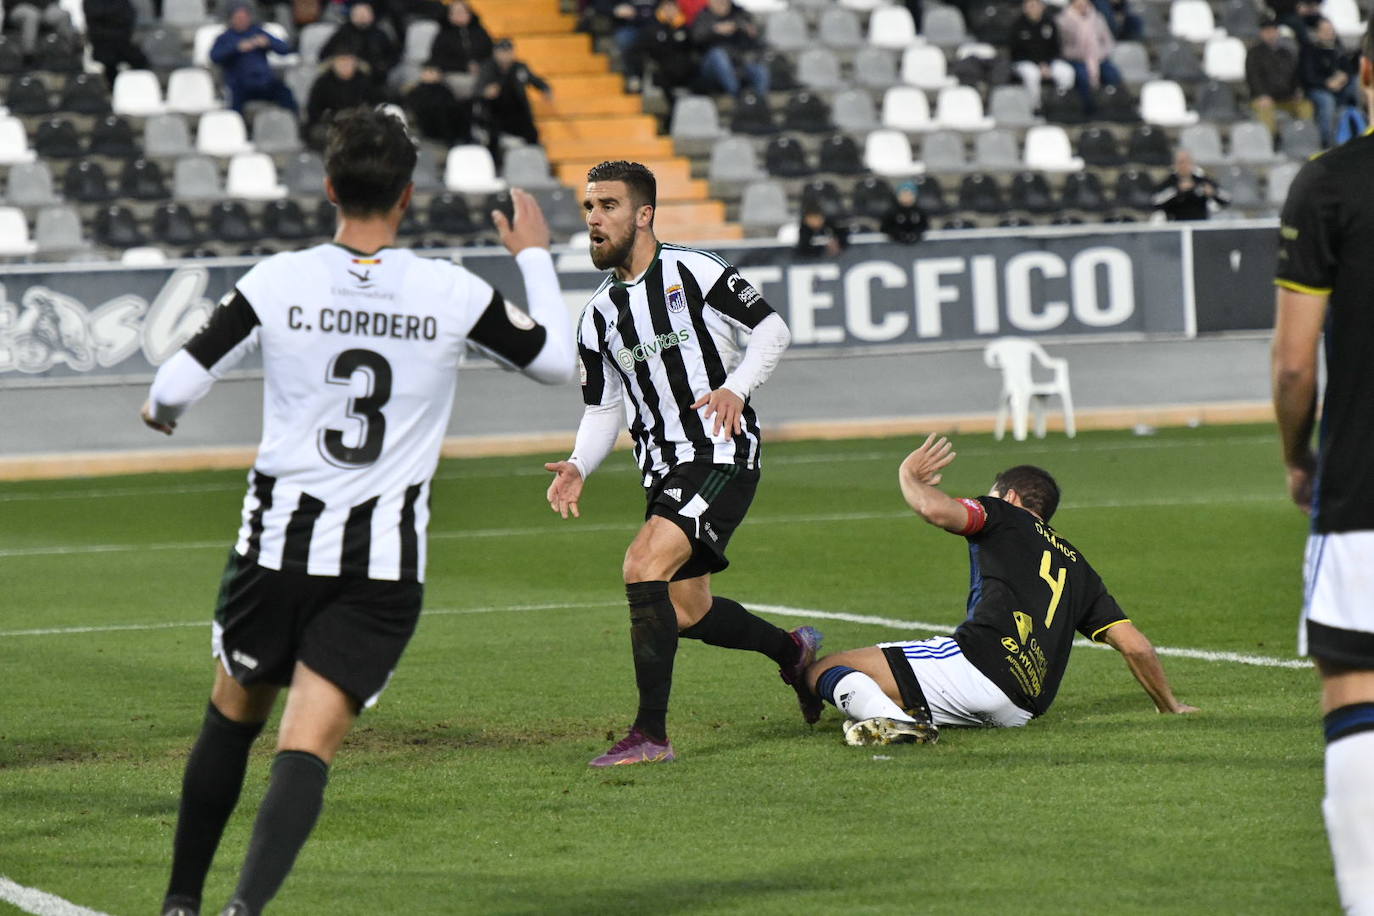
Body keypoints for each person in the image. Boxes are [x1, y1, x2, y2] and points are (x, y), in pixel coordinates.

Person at [145, 108, 575, 916]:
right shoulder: (450, 289)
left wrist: (162, 416)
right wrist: (535, 257)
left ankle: (179, 904)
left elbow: (172, 384)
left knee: (233, 714)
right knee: (307, 743)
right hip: (380, 564)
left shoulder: (280, 279)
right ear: (408, 197)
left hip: (276, 544)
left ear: (331, 187)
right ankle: (244, 911)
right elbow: (556, 362)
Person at [544, 160, 817, 767]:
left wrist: (736, 389)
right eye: (588, 207)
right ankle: (792, 652)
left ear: (643, 214)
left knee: (642, 563)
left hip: (720, 453)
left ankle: (650, 735)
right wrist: (579, 465)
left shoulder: (695, 271)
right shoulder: (596, 315)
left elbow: (772, 330)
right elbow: (602, 409)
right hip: (663, 469)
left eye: (607, 206)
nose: (593, 218)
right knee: (688, 609)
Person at [803, 434, 1197, 747]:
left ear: (1009, 497)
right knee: (891, 690)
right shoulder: (1079, 568)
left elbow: (936, 511)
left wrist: (908, 474)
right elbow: (1137, 646)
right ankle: (905, 716)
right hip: (1020, 709)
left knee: (825, 669)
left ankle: (903, 725)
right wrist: (1170, 706)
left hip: (977, 664)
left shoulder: (1005, 514)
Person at [1272, 17, 1374, 912]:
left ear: (1366, 72)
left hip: (1365, 489)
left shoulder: (1331, 184)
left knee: (1357, 692)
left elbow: (1295, 363)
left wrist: (1298, 456)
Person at [210, 1, 298, 115]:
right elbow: (215, 56)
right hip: (240, 85)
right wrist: (237, 48)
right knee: (234, 102)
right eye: (238, 17)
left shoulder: (258, 32)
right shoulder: (225, 37)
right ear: (231, 19)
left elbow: (285, 49)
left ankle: (293, 123)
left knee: (285, 92)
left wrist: (269, 42)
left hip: (264, 83)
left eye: (244, 17)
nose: (242, 20)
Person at [476, 37, 551, 168]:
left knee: (532, 134)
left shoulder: (520, 68)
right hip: (495, 113)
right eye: (502, 52)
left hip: (518, 112)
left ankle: (537, 166)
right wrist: (486, 92)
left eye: (508, 51)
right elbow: (478, 90)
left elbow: (535, 80)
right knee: (492, 138)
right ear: (496, 53)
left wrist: (545, 88)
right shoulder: (488, 68)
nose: (506, 55)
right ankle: (495, 167)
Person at [1247, 16, 1313, 135]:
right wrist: (1262, 95)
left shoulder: (1286, 53)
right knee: (1264, 110)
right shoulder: (1254, 53)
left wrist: (1297, 91)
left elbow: (1294, 75)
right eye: (1267, 31)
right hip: (1263, 97)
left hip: (1286, 97)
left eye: (1272, 30)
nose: (1270, 34)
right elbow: (1253, 77)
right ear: (1261, 33)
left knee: (1306, 105)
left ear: (1277, 32)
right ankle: (1270, 142)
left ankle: (1306, 137)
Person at [1300, 17, 1359, 147]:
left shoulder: (1337, 49)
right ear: (1317, 32)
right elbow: (1308, 77)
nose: (1329, 33)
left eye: (1331, 30)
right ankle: (1327, 143)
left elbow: (1348, 69)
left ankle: (1361, 129)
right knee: (1327, 102)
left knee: (1358, 84)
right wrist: (1327, 83)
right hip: (1317, 89)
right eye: (1325, 30)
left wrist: (1344, 77)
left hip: (1339, 87)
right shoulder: (1309, 50)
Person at [691, 0, 768, 98]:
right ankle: (737, 96)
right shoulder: (703, 16)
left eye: (724, 2)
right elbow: (696, 37)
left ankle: (760, 102)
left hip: (738, 63)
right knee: (718, 54)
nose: (721, 4)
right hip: (710, 69)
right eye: (718, 2)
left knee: (759, 68)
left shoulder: (739, 14)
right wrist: (715, 30)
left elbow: (754, 35)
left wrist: (740, 27)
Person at [1057, 0, 1121, 115]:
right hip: (1076, 58)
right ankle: (1089, 110)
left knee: (1113, 74)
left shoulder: (1097, 17)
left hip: (1098, 57)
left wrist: (1099, 55)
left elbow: (1109, 41)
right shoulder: (1063, 20)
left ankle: (1115, 107)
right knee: (1083, 76)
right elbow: (1063, 47)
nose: (1082, 5)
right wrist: (1083, 55)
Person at [305, 53, 383, 147]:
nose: (345, 66)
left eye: (349, 61)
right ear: (333, 63)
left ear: (355, 63)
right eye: (341, 61)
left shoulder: (365, 82)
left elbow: (376, 105)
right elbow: (313, 111)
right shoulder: (322, 83)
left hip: (360, 125)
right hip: (331, 126)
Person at [1009, 0, 1075, 108]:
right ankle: (1035, 107)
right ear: (1024, 7)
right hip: (1024, 62)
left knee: (1067, 72)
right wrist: (1039, 64)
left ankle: (1061, 104)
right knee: (1032, 74)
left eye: (1036, 5)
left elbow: (1056, 48)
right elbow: (1015, 51)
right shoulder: (1018, 25)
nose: (1033, 8)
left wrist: (1047, 63)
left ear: (1042, 7)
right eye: (1030, 5)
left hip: (1047, 63)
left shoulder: (1049, 23)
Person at [318, 0, 398, 86]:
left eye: (365, 15)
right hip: (346, 78)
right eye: (359, 15)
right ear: (352, 16)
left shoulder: (380, 34)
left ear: (371, 16)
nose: (362, 18)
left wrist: (383, 66)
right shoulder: (343, 32)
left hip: (376, 77)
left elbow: (393, 55)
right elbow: (324, 54)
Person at [630, 0, 697, 96]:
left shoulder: (685, 27)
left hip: (684, 69)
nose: (669, 10)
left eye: (672, 7)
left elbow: (692, 47)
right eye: (666, 6)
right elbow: (638, 50)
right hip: (661, 68)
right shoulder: (652, 27)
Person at [427, 0, 493, 95]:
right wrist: (464, 66)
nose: (460, 15)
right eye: (456, 12)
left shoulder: (480, 32)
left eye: (463, 11)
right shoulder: (443, 35)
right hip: (454, 74)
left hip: (482, 71)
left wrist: (480, 66)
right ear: (449, 15)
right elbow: (439, 61)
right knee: (470, 85)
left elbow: (490, 53)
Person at [403, 60, 473, 145]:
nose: (430, 74)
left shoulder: (444, 89)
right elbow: (418, 108)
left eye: (434, 71)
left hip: (448, 126)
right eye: (428, 71)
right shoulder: (417, 91)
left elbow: (452, 104)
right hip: (429, 127)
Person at [83, 0, 149, 87]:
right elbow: (95, 14)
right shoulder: (92, 3)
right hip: (103, 44)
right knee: (110, 64)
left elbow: (129, 15)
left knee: (141, 61)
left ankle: (135, 88)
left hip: (120, 41)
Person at [1151, 149, 1229, 221]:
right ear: (1175, 164)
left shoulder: (1201, 179)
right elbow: (1155, 202)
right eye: (1181, 162)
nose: (1184, 165)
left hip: (1199, 225)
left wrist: (1213, 192)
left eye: (1187, 162)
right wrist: (1177, 190)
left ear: (1192, 163)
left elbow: (1226, 199)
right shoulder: (1169, 181)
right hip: (1175, 227)